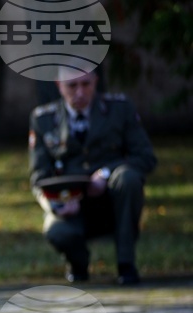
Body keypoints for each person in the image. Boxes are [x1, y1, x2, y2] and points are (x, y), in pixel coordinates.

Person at [29, 68, 157, 285]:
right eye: (72, 86)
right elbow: (38, 178)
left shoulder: (120, 109)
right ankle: (78, 264)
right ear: (59, 85)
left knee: (128, 178)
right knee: (56, 231)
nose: (80, 92)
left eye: (86, 84)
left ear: (95, 82)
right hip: (72, 205)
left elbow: (145, 157)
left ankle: (126, 265)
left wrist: (106, 174)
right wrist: (55, 205)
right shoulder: (43, 119)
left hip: (113, 202)